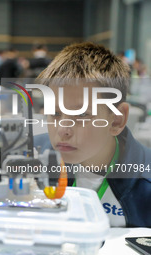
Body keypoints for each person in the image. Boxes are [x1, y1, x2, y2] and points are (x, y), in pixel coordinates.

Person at [34, 42, 151, 227]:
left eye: (81, 115)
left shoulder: (146, 183)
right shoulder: (29, 157)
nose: (63, 130)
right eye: (55, 113)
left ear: (117, 120)